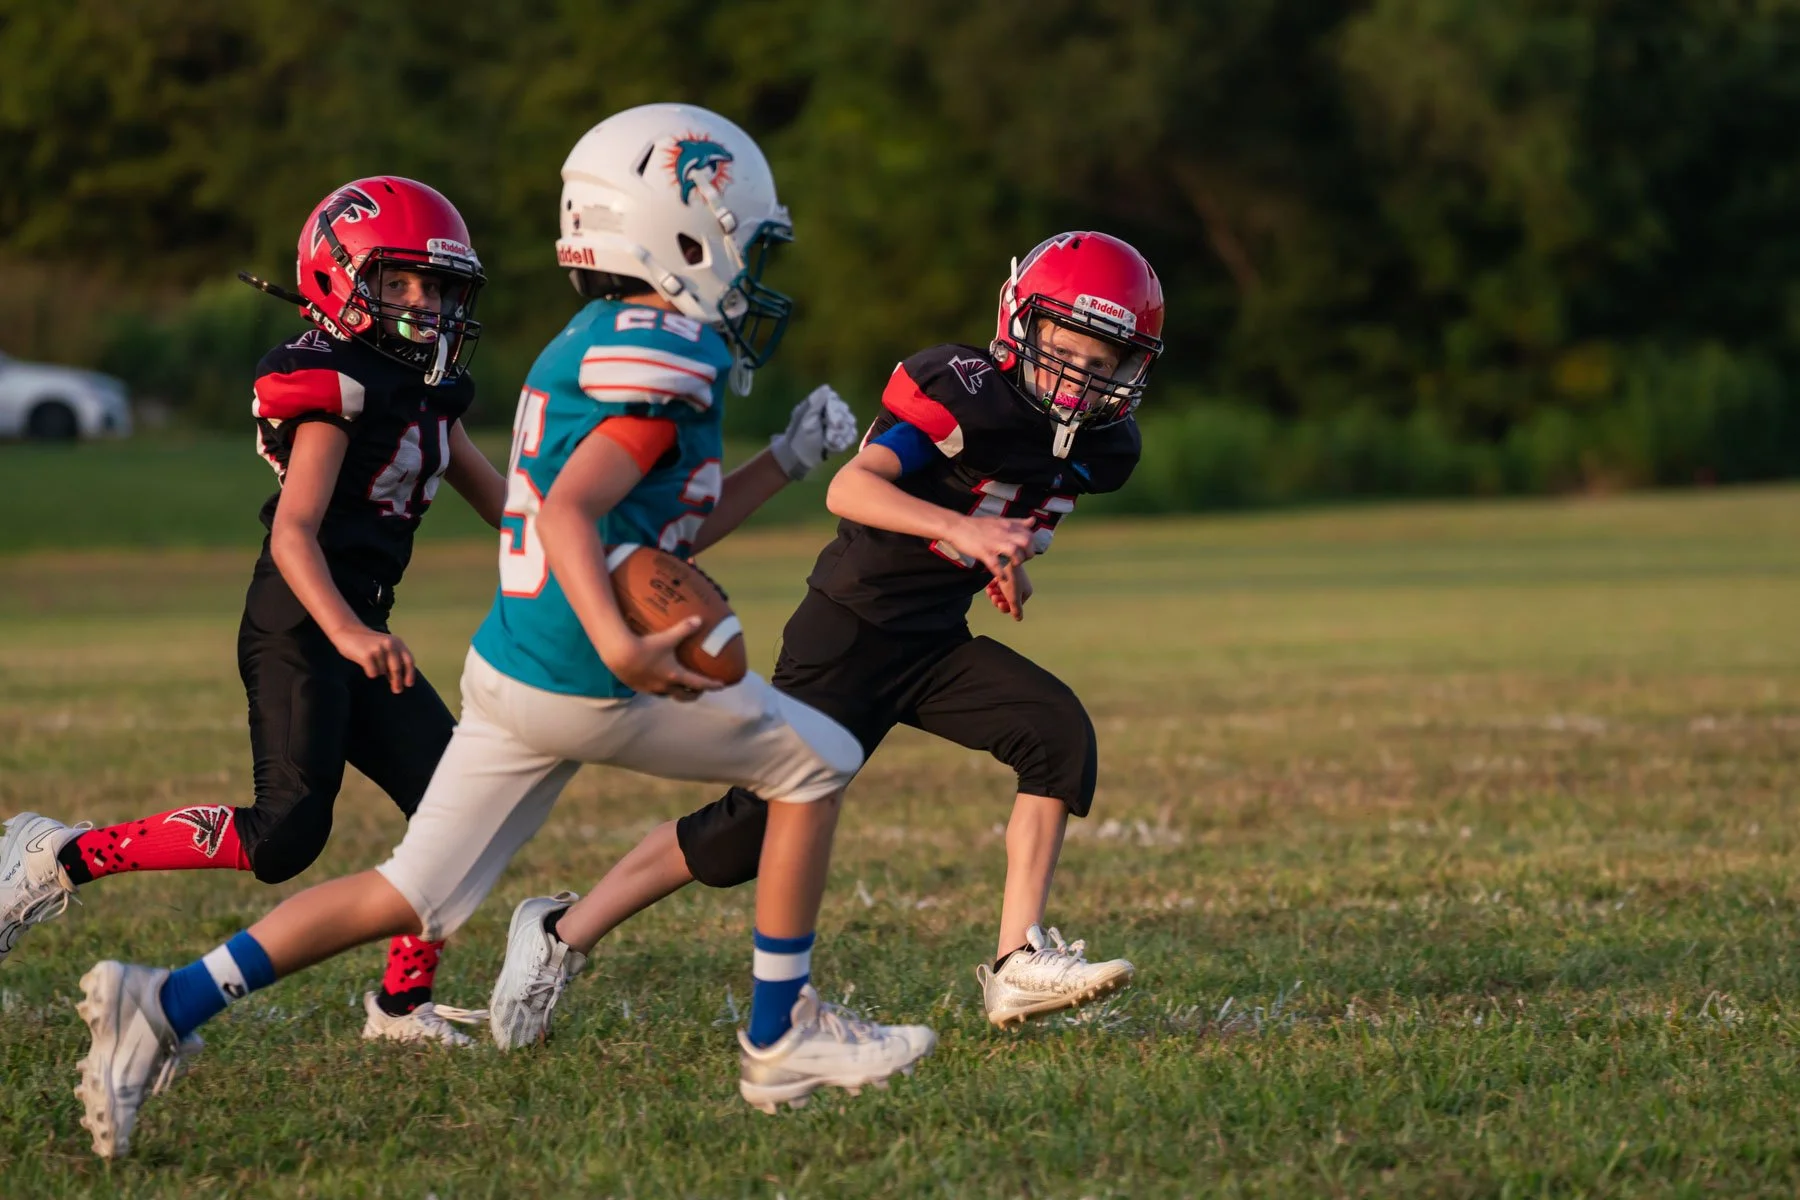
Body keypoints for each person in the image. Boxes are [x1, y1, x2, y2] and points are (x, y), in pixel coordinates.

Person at [67, 103, 934, 1161]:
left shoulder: (597, 341)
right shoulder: (667, 354)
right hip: (582, 673)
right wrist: (621, 647)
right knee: (816, 760)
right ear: (679, 234)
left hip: (513, 667)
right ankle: (782, 1032)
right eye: (743, 245)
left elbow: (658, 532)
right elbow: (568, 515)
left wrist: (784, 462)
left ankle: (161, 1003)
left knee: (407, 892)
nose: (750, 274)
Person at [486, 231, 1166, 1044]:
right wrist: (963, 531)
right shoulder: (962, 390)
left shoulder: (1103, 446)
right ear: (1020, 323)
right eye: (1066, 349)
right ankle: (559, 932)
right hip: (849, 630)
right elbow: (852, 488)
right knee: (745, 834)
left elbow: (1008, 502)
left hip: (933, 643)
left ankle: (1016, 960)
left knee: (1055, 733)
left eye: (1102, 361)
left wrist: (999, 560)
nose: (1080, 376)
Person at [1, 176, 505, 1045]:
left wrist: (598, 538)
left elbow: (511, 510)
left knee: (460, 807)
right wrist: (348, 632)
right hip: (303, 625)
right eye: (399, 281)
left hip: (360, 627)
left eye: (435, 284)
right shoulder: (337, 386)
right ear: (341, 279)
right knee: (284, 839)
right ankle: (61, 854)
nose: (423, 302)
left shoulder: (430, 391)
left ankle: (400, 1004)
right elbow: (294, 533)